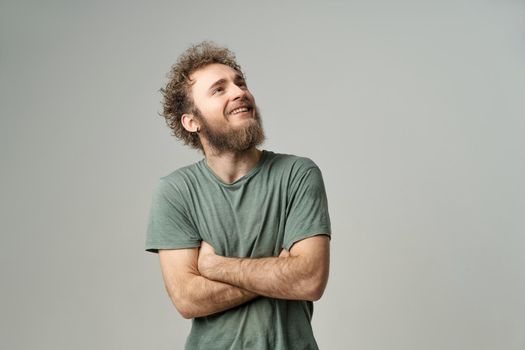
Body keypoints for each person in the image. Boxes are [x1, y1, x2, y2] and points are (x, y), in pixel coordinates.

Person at [145, 41, 332, 350]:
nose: (239, 92)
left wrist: (216, 267)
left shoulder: (297, 174)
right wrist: (279, 272)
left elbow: (310, 280)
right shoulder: (175, 192)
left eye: (240, 82)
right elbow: (187, 299)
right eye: (219, 89)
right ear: (192, 122)